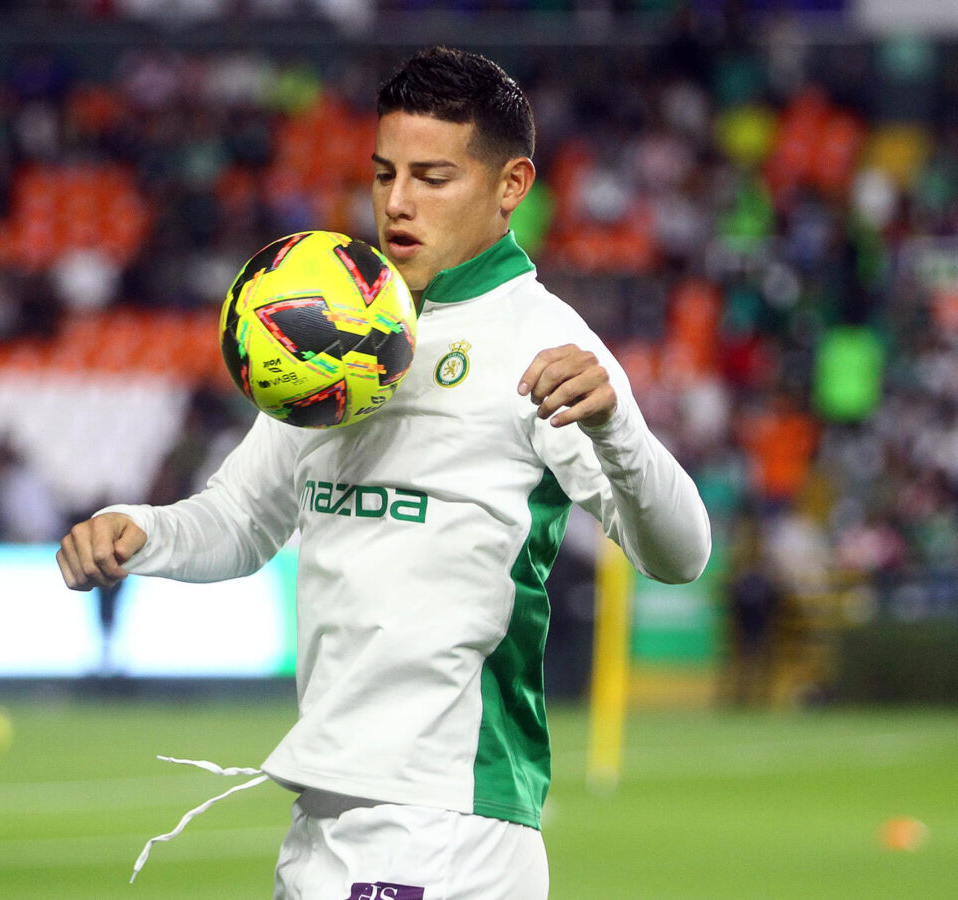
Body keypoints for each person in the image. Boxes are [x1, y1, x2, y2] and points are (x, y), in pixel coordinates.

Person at [57, 47, 711, 899]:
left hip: (448, 817)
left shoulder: (543, 342)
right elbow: (244, 519)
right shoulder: (334, 326)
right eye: (383, 173)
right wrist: (140, 534)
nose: (398, 202)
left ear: (511, 186)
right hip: (324, 808)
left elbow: (682, 554)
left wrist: (618, 430)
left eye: (433, 178)